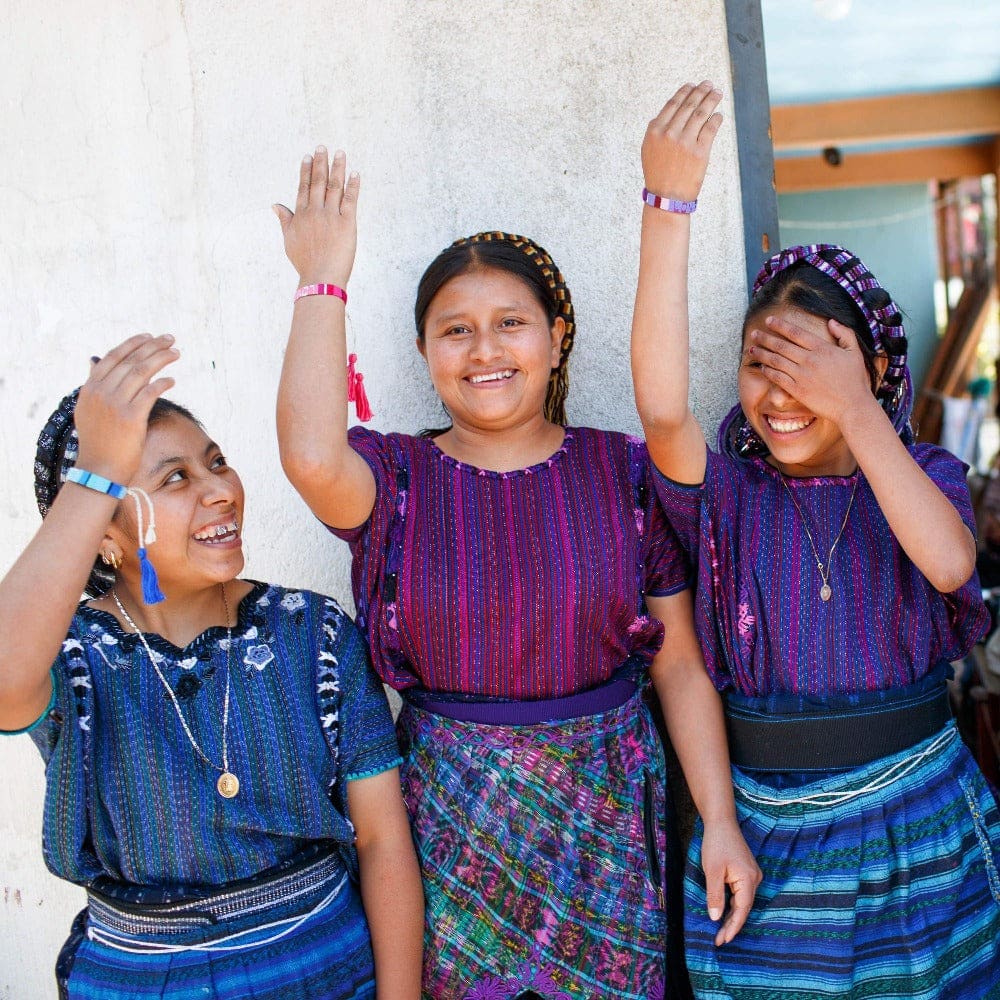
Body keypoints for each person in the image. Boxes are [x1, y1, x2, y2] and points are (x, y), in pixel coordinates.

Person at [273, 146, 760, 1000]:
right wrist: (322, 281)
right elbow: (312, 458)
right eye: (455, 329)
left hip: (608, 831)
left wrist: (718, 817)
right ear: (424, 351)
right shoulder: (395, 481)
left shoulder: (623, 471)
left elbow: (679, 663)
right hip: (452, 831)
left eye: (510, 322)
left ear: (556, 337)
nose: (484, 349)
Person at [631, 81, 1000, 998]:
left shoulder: (919, 477)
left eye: (817, 365)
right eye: (763, 363)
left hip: (921, 825)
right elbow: (663, 409)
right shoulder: (728, 496)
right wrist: (666, 207)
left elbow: (951, 563)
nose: (785, 392)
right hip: (768, 838)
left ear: (872, 370)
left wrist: (858, 409)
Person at [0, 334, 423, 999]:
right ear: (104, 534)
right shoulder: (72, 657)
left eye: (217, 462)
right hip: (141, 981)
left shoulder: (312, 633)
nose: (221, 490)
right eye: (175, 478)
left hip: (325, 972)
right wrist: (98, 468)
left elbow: (382, 841)